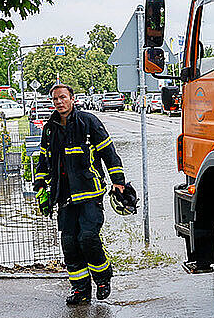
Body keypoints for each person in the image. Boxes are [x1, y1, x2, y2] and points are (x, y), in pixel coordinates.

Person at [34, 83, 137, 304]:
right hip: (64, 195)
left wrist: (118, 182)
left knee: (88, 238)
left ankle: (102, 279)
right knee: (69, 242)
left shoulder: (88, 122)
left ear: (72, 99)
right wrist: (41, 185)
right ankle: (80, 290)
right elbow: (44, 160)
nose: (59, 102)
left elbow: (109, 154)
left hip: (90, 193)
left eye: (63, 97)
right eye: (55, 99)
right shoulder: (50, 128)